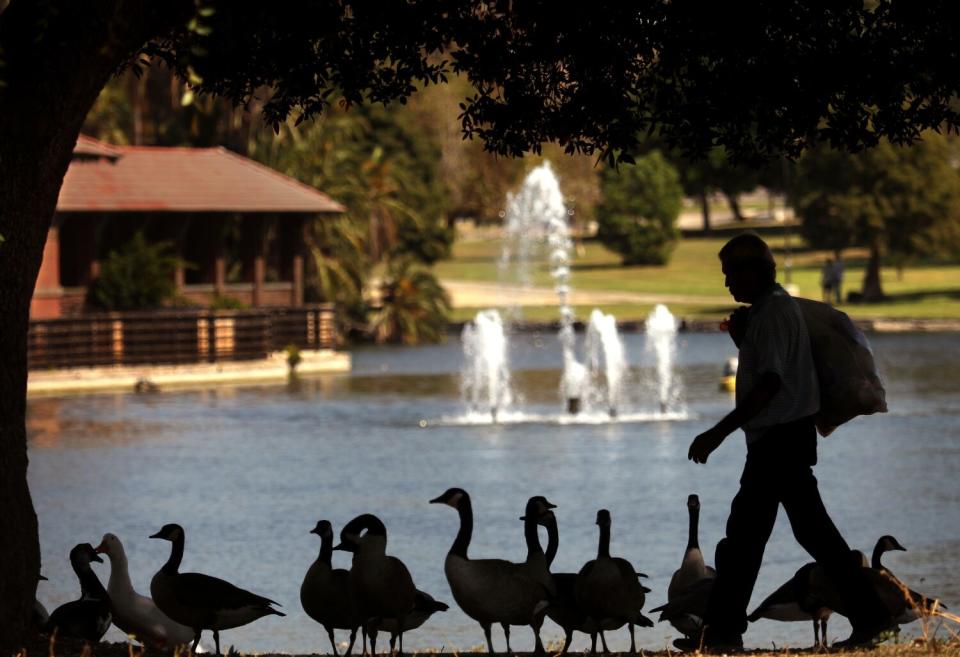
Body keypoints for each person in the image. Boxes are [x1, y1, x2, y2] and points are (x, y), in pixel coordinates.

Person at [677, 233, 892, 652]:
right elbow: (775, 370)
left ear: (753, 270)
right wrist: (744, 340)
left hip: (780, 441)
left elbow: (771, 384)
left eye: (730, 274)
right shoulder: (768, 312)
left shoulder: (773, 313)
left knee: (754, 539)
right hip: (782, 440)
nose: (727, 284)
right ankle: (871, 620)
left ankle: (723, 633)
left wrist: (717, 433)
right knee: (777, 537)